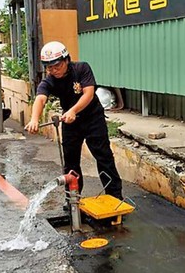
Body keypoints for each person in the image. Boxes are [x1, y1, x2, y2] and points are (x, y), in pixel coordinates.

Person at [25, 41, 123, 200]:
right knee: (71, 162)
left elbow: (88, 94)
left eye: (57, 66)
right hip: (70, 123)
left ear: (66, 60)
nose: (54, 71)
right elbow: (41, 99)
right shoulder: (48, 81)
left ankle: (115, 197)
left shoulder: (82, 68)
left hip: (93, 118)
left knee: (104, 157)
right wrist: (34, 119)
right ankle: (72, 200)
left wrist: (73, 110)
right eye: (49, 67)